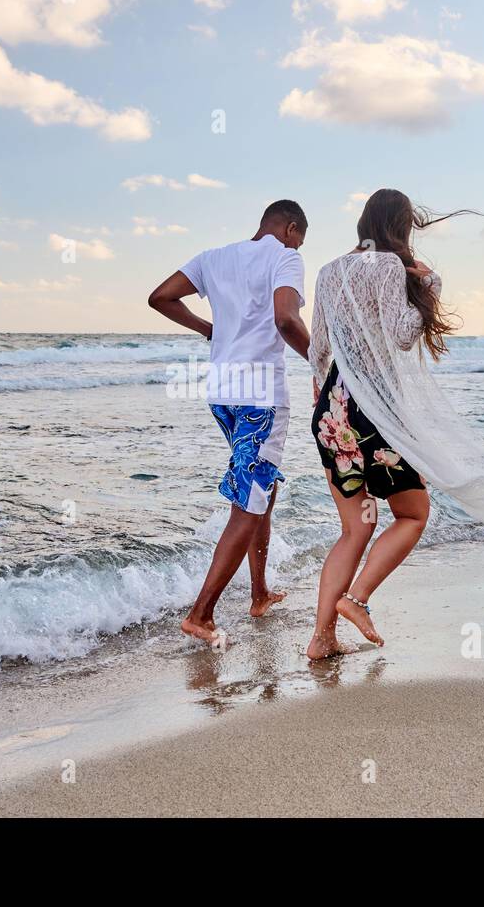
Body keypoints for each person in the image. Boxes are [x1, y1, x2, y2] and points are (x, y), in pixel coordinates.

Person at [306, 189, 484, 660]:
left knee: (354, 529)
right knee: (413, 516)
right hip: (376, 408)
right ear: (399, 226)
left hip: (333, 413)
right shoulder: (391, 267)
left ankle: (321, 639)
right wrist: (431, 286)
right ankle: (355, 600)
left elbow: (318, 349)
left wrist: (325, 399)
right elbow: (400, 334)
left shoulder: (327, 271)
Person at [149, 200, 312, 647]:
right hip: (261, 398)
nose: (300, 246)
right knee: (248, 503)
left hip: (223, 395)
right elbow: (285, 317)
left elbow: (160, 297)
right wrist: (323, 362)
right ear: (292, 228)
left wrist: (209, 330)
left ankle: (259, 593)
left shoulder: (213, 257)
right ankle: (201, 615)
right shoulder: (286, 257)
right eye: (301, 238)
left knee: (262, 489)